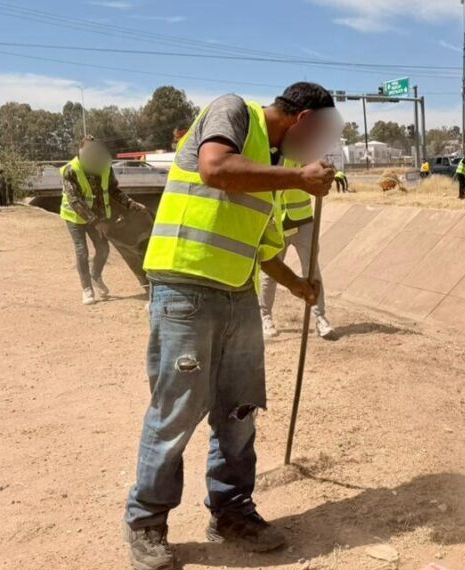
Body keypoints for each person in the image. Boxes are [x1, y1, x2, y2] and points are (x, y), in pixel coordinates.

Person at [124, 82, 342, 570]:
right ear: (303, 120)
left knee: (239, 411)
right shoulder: (233, 113)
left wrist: (296, 284)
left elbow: (264, 247)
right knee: (177, 412)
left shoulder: (277, 170)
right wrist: (297, 179)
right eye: (317, 138)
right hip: (184, 286)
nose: (313, 152)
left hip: (237, 292)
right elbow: (215, 169)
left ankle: (231, 510)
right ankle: (147, 523)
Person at [60, 137, 150, 305]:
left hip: (97, 215)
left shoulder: (105, 168)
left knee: (103, 249)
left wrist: (131, 204)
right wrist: (95, 222)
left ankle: (95, 275)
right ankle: (87, 288)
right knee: (82, 250)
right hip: (74, 216)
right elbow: (75, 201)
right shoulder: (71, 170)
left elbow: (113, 191)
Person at [259, 189, 336, 340]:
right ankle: (265, 317)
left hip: (303, 219)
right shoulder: (269, 163)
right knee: (270, 272)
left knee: (312, 272)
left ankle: (320, 318)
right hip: (275, 222)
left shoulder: (304, 162)